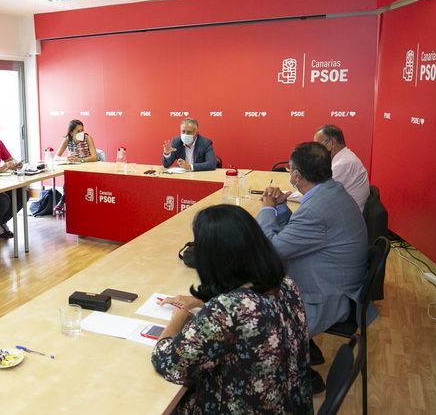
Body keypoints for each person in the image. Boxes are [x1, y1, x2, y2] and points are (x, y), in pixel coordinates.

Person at [151, 204, 311, 414]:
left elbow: (168, 362)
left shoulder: (228, 309)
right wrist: (203, 304)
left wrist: (179, 318)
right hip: (290, 402)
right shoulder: (285, 283)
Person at [256, 142, 368, 392]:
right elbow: (297, 234)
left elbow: (271, 249)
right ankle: (304, 348)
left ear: (296, 176)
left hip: (327, 298)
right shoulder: (330, 192)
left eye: (290, 170)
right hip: (338, 284)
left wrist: (266, 209)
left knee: (251, 305)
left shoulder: (318, 208)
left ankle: (297, 371)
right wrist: (282, 207)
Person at [314, 124, 370, 211]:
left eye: (318, 146)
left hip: (348, 216)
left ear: (331, 143)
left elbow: (321, 195)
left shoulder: (343, 164)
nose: (316, 151)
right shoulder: (344, 156)